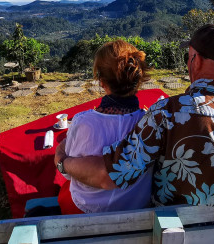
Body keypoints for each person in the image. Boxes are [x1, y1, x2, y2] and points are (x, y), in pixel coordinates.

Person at [55, 24, 214, 208]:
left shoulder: (166, 114)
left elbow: (114, 175)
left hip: (175, 235)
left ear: (197, 59)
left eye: (189, 55)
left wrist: (64, 163)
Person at [57, 39, 153, 214]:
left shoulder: (83, 122)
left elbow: (68, 173)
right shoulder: (149, 122)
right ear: (138, 79)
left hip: (86, 208)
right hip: (138, 209)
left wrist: (60, 151)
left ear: (101, 81)